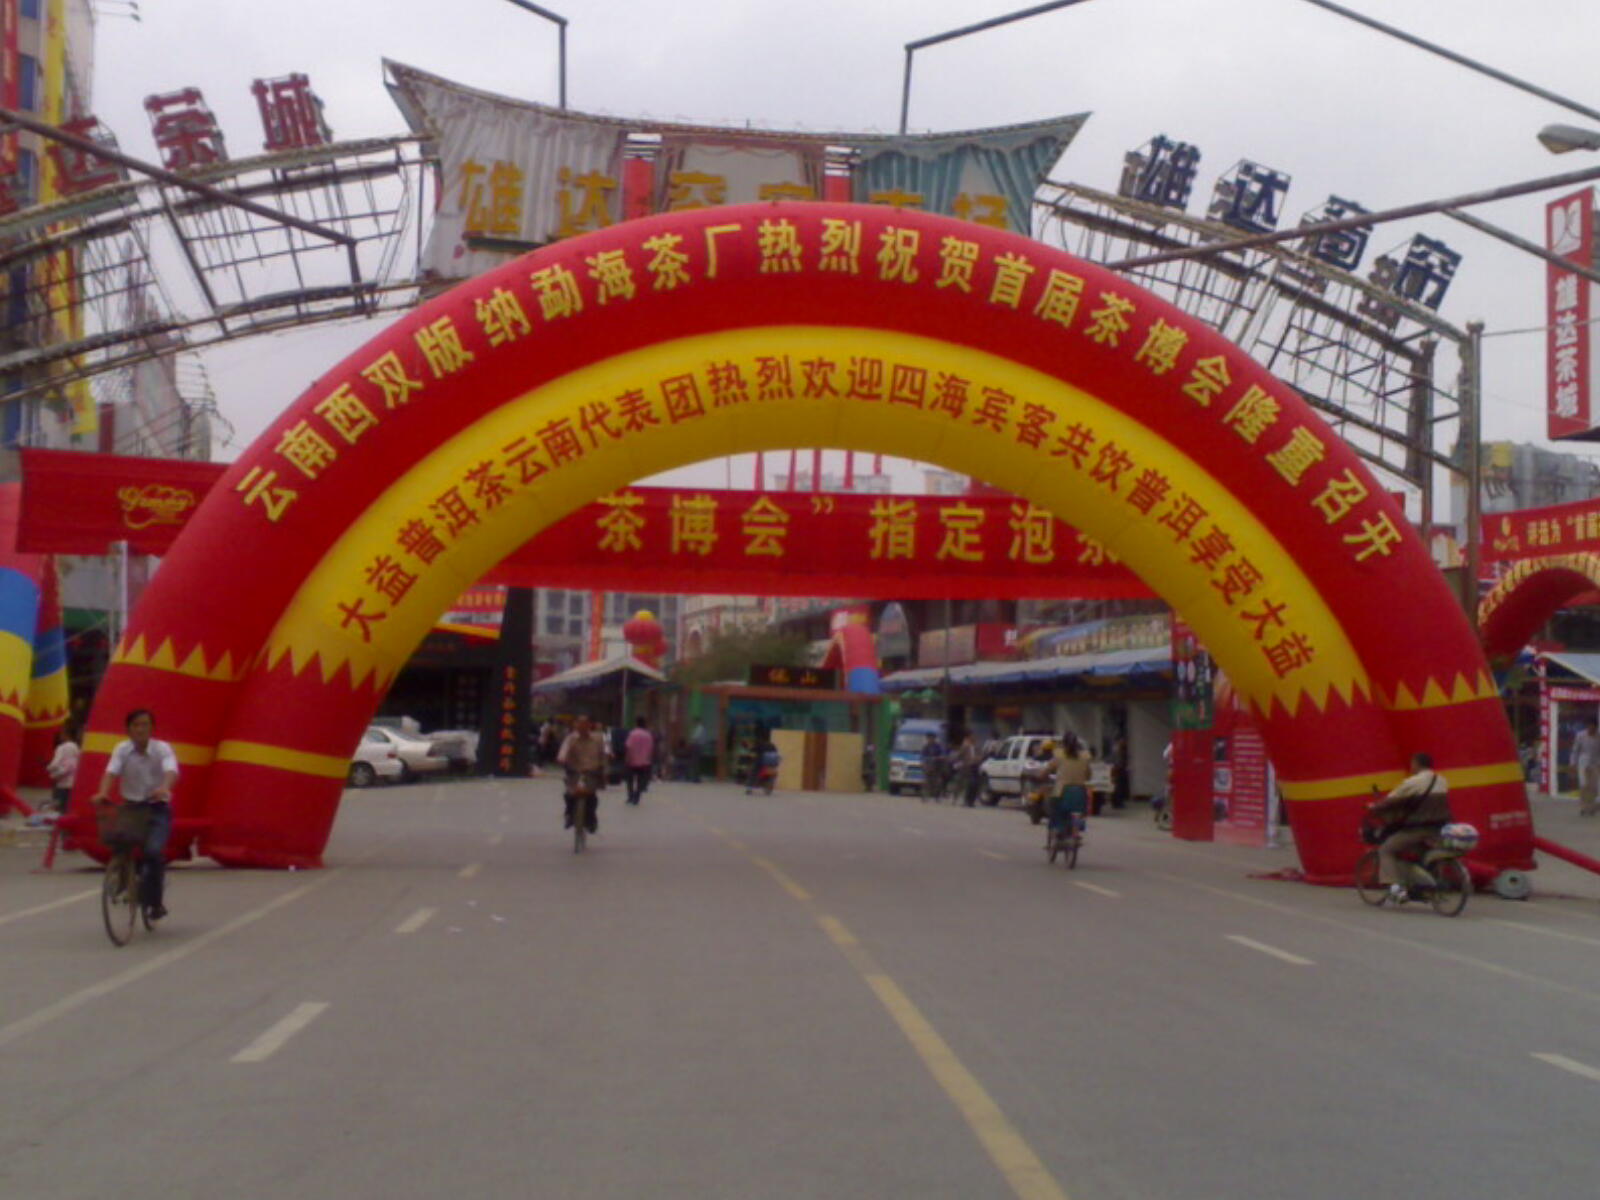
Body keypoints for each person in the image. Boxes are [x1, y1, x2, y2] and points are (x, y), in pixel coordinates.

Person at [89, 709, 179, 920]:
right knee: (119, 842)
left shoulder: (162, 749)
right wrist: (103, 792)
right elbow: (111, 772)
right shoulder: (121, 749)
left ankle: (155, 902)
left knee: (153, 852)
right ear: (128, 729)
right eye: (136, 725)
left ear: (152, 728)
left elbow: (171, 771)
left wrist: (164, 788)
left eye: (145, 724)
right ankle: (124, 877)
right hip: (131, 808)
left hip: (157, 808)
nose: (140, 729)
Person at [1367, 752, 1451, 904]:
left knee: (1386, 849)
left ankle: (1395, 889)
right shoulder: (1442, 780)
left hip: (1417, 830)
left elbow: (1391, 800)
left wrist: (1374, 807)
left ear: (1416, 764)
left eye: (1412, 763)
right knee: (1419, 853)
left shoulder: (1413, 782)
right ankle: (1421, 887)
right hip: (1438, 830)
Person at [557, 715, 607, 833]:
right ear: (576, 725)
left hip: (592, 771)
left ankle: (591, 821)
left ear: (590, 725)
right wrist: (562, 758)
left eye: (585, 724)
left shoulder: (599, 739)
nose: (582, 727)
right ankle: (569, 815)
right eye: (579, 724)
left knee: (591, 797)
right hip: (574, 771)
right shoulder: (570, 739)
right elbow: (563, 752)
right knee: (569, 795)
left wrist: (605, 770)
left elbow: (605, 754)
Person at [1049, 732, 1092, 837]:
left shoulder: (1059, 755)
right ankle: (1076, 831)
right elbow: (1088, 775)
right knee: (1079, 811)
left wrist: (1041, 776)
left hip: (1062, 791)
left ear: (1064, 743)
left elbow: (1048, 769)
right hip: (1080, 791)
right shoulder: (1084, 757)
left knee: (1055, 807)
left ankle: (1059, 829)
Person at [46, 724, 80, 814]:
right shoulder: (76, 747)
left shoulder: (61, 748)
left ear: (65, 734)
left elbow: (55, 763)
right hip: (72, 782)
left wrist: (49, 768)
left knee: (58, 807)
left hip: (61, 782)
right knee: (67, 807)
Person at [624, 716, 654, 805]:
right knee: (640, 780)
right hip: (644, 761)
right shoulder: (648, 735)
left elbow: (628, 747)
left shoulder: (632, 734)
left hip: (632, 760)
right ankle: (637, 796)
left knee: (630, 780)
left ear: (636, 723)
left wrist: (627, 758)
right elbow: (651, 748)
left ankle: (630, 796)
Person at [1572, 721, 1600, 817]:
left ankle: (1591, 808)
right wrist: (1573, 763)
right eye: (1590, 727)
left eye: (1593, 728)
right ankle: (1583, 807)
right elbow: (1575, 750)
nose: (1591, 729)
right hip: (1583, 763)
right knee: (1584, 785)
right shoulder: (1580, 736)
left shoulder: (1598, 737)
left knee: (1593, 786)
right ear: (1587, 727)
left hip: (1595, 763)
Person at [953, 733, 981, 807]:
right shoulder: (965, 747)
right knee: (966, 784)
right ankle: (964, 800)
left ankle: (971, 801)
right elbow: (959, 756)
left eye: (974, 739)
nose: (973, 740)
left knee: (974, 785)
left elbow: (980, 756)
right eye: (971, 738)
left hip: (975, 768)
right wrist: (958, 763)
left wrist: (977, 759)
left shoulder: (977, 747)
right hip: (966, 768)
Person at [919, 732, 946, 802]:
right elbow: (922, 756)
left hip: (937, 767)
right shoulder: (925, 747)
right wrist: (926, 760)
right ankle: (925, 796)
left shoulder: (938, 746)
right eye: (929, 738)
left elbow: (942, 755)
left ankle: (937, 797)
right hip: (928, 767)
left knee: (937, 783)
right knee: (926, 782)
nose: (930, 739)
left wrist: (938, 758)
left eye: (932, 738)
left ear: (934, 739)